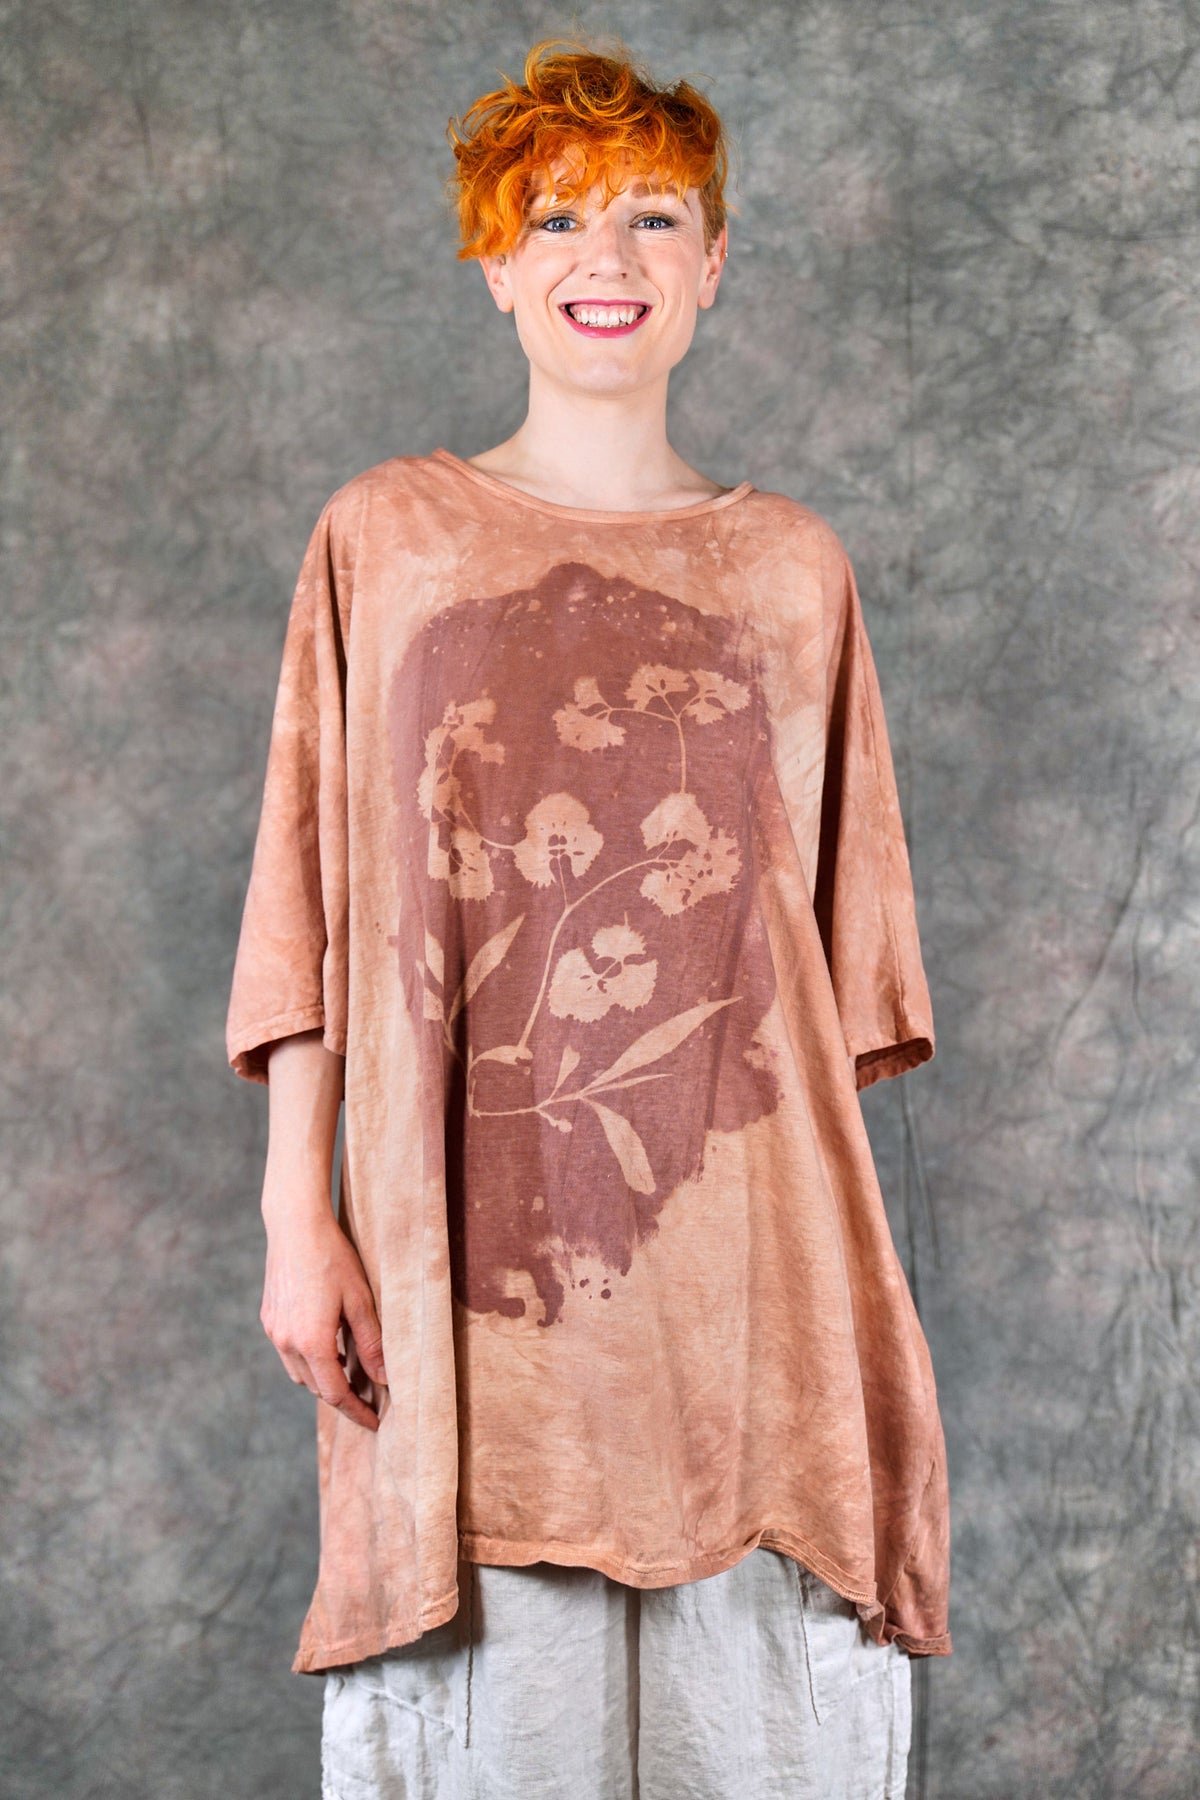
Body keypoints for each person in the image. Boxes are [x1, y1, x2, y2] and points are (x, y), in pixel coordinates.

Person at [225, 35, 952, 1800]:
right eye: (554, 218)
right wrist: (296, 1213)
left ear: (716, 263)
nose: (603, 256)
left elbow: (817, 1002)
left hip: (743, 1304)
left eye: (653, 217)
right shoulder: (386, 539)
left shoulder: (794, 572)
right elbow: (310, 913)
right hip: (470, 1300)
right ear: (495, 264)